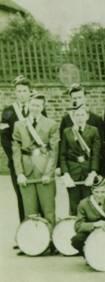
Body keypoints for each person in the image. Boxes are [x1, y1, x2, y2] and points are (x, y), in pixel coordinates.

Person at [12, 92, 59, 228]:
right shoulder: (19, 125)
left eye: (38, 105)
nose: (35, 108)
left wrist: (48, 174)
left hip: (44, 169)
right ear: (29, 104)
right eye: (33, 105)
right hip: (26, 171)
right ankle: (33, 245)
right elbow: (16, 151)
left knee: (48, 209)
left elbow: (53, 151)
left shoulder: (52, 124)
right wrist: (19, 173)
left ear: (43, 106)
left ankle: (50, 241)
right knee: (30, 211)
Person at [0, 75, 39, 229]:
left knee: (39, 195)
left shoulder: (37, 108)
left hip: (36, 160)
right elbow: (4, 139)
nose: (21, 93)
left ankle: (43, 232)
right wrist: (17, 159)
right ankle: (25, 231)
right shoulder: (8, 112)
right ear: (15, 93)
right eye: (19, 91)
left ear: (30, 92)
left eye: (24, 91)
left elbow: (43, 133)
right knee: (22, 196)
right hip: (17, 162)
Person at [59, 104, 101, 215]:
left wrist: (93, 172)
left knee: (89, 204)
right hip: (73, 173)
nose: (79, 117)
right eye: (77, 115)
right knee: (74, 206)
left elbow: (96, 154)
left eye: (82, 114)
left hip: (88, 172)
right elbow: (62, 155)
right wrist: (66, 173)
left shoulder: (94, 130)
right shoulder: (67, 132)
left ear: (87, 116)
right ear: (73, 117)